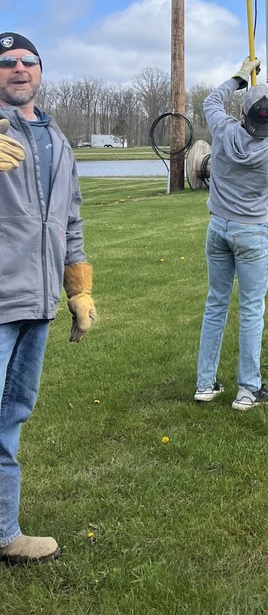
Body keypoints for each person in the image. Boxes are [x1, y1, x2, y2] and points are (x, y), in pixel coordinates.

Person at [0, 32, 97, 565]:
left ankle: (3, 532)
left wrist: (78, 290)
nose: (18, 69)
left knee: (10, 417)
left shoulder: (57, 138)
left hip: (36, 305)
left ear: (40, 70)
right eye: (7, 62)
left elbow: (71, 219)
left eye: (28, 61)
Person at [195, 58, 268, 411]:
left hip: (218, 229)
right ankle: (248, 390)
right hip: (252, 234)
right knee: (251, 310)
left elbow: (210, 102)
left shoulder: (223, 130)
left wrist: (239, 77)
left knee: (216, 304)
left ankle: (205, 384)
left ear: (244, 114)